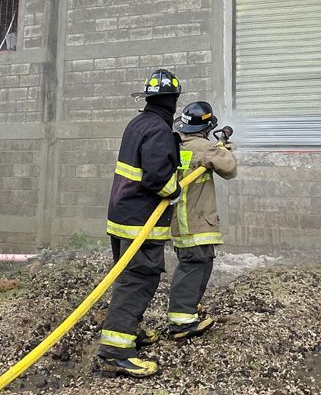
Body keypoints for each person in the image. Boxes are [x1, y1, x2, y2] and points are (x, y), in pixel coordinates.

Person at [96, 68, 184, 378]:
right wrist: (175, 190)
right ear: (173, 100)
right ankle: (116, 351)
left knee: (127, 278)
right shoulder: (159, 130)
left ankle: (129, 331)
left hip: (122, 217)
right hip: (140, 223)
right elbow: (156, 178)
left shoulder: (137, 124)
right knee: (138, 281)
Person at [166, 100, 236, 338]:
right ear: (206, 128)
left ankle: (189, 308)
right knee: (193, 267)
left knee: (198, 264)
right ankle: (182, 321)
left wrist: (218, 148)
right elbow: (230, 168)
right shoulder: (203, 147)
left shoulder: (180, 145)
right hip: (196, 221)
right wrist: (223, 150)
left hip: (182, 220)